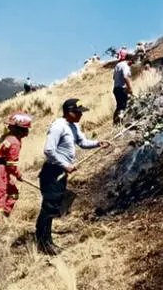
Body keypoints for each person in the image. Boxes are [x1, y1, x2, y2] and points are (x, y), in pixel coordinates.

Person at [35, 99, 109, 255]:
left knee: (54, 205)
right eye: (78, 112)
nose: (81, 115)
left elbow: (82, 142)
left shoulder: (74, 126)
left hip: (61, 171)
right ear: (70, 112)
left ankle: (46, 239)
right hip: (53, 171)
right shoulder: (58, 126)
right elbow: (49, 150)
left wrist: (97, 143)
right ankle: (43, 243)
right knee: (49, 207)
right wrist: (64, 165)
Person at [0, 112, 32, 228]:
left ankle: (5, 216)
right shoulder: (15, 143)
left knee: (13, 193)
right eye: (25, 129)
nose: (27, 132)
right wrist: (19, 175)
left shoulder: (6, 137)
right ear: (19, 129)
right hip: (0, 171)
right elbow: (11, 165)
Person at [112, 50, 133, 125]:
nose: (131, 64)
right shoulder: (125, 65)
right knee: (123, 106)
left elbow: (114, 78)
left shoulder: (118, 65)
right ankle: (121, 123)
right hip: (122, 88)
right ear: (130, 60)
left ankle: (115, 123)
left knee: (119, 106)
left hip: (116, 88)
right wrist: (129, 88)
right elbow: (125, 76)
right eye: (132, 62)